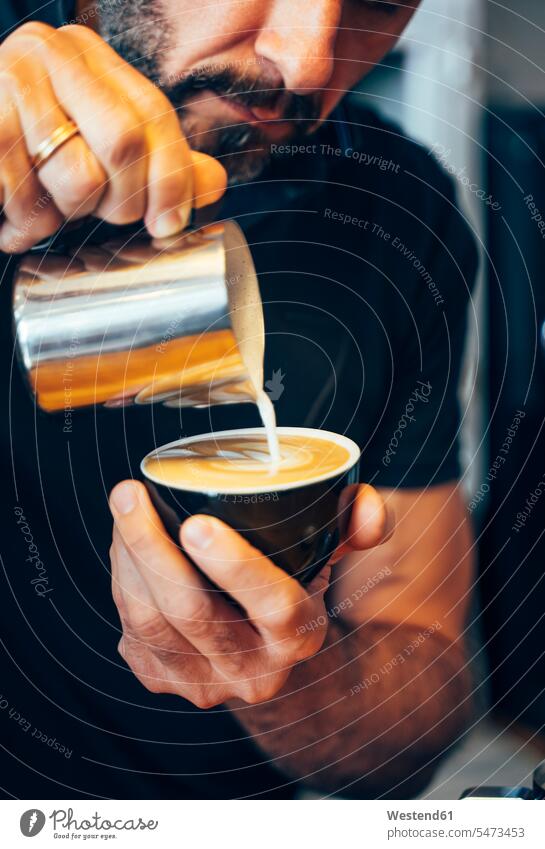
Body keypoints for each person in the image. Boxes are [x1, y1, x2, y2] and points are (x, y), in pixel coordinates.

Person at [0, 0, 478, 799]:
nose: (308, 62)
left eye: (377, 1)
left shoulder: (393, 206)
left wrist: (290, 659)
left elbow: (418, 707)